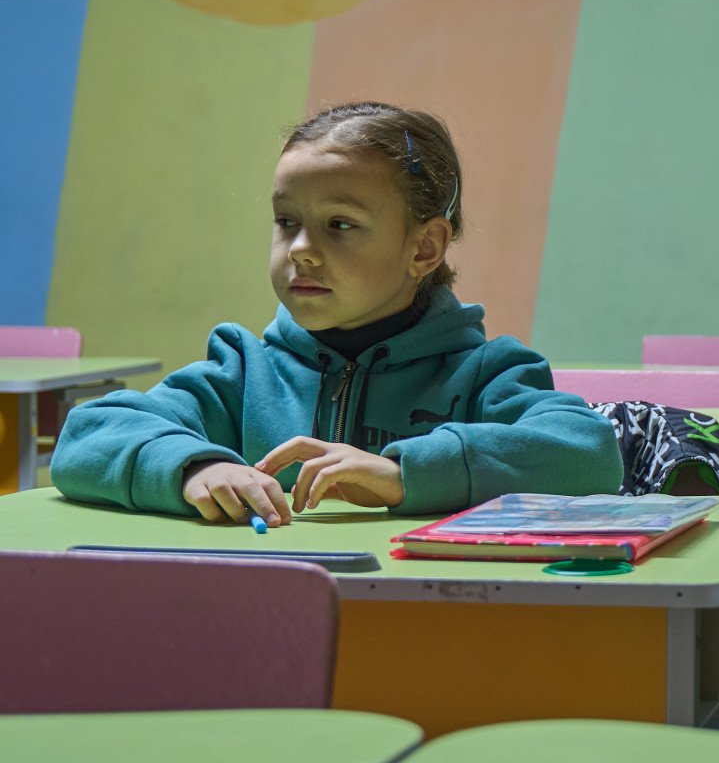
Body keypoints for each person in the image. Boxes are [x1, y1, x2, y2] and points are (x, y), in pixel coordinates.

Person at [53, 101, 620, 522]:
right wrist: (194, 468)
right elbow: (86, 436)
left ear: (424, 248)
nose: (300, 248)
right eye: (286, 221)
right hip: (268, 628)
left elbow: (589, 453)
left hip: (432, 626)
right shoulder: (243, 372)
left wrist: (405, 475)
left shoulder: (484, 373)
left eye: (339, 225)